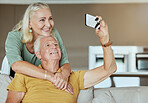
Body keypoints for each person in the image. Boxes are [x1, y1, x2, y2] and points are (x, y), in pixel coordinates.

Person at [6, 16, 117, 103]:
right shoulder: (24, 76)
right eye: (47, 45)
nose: (54, 46)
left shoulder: (74, 77)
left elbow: (109, 69)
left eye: (55, 44)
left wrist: (105, 39)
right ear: (38, 55)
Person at [5, 2, 71, 90]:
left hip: (43, 82)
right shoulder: (15, 36)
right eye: (42, 20)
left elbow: (65, 63)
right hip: (19, 80)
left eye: (50, 18)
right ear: (29, 23)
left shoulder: (53, 32)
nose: (48, 24)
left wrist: (63, 75)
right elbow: (16, 65)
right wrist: (50, 76)